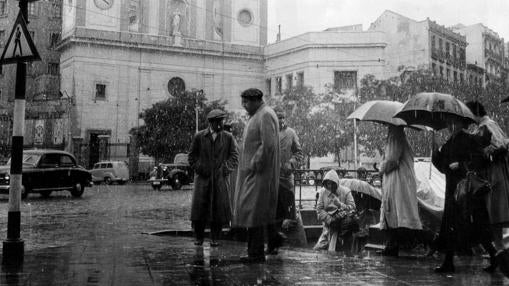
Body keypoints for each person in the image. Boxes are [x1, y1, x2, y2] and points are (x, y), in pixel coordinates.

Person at [431, 116, 496, 273]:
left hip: (466, 193)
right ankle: (449, 262)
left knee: (475, 227)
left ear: (459, 123)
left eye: (451, 122)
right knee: (454, 227)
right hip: (453, 191)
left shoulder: (469, 139)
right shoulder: (450, 141)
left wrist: (461, 165)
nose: (448, 125)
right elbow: (443, 165)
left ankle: (495, 256)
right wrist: (435, 151)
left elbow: (480, 160)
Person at [232, 88, 280, 263]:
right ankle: (259, 249)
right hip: (254, 174)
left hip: (259, 174)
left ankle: (256, 253)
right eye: (243, 102)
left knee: (254, 213)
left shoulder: (265, 115)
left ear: (256, 100)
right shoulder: (257, 115)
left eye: (246, 102)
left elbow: (268, 145)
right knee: (253, 213)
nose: (244, 106)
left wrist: (254, 164)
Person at [466, 101, 509, 275]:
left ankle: (501, 258)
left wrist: (485, 152)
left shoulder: (488, 125)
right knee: (492, 220)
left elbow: (501, 146)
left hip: (494, 176)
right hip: (489, 176)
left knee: (496, 216)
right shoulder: (482, 127)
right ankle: (498, 257)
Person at [189, 109, 239, 247]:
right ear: (212, 122)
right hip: (203, 180)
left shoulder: (228, 137)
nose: (222, 123)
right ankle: (199, 238)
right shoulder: (199, 137)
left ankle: (215, 238)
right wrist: (200, 168)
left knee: (218, 210)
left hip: (219, 180)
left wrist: (225, 169)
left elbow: (234, 156)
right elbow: (191, 156)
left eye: (222, 120)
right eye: (219, 121)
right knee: (200, 210)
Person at [265, 108, 305, 254]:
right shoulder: (269, 133)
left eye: (283, 118)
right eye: (278, 118)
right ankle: (273, 241)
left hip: (286, 179)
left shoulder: (291, 133)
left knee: (286, 209)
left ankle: (279, 238)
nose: (281, 120)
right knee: (272, 210)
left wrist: (291, 164)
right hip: (271, 179)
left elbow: (299, 152)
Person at [379, 125, 422, 256]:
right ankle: (393, 244)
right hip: (402, 179)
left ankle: (393, 245)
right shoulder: (401, 136)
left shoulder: (394, 136)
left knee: (395, 212)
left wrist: (381, 167)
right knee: (399, 212)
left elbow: (392, 160)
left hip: (397, 180)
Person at [313, 169, 356, 251]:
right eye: (328, 183)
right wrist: (330, 220)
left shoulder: (346, 191)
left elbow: (352, 207)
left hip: (344, 226)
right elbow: (319, 209)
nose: (330, 186)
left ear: (336, 183)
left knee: (345, 249)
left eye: (333, 184)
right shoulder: (322, 192)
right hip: (328, 225)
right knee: (319, 248)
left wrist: (340, 205)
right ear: (325, 183)